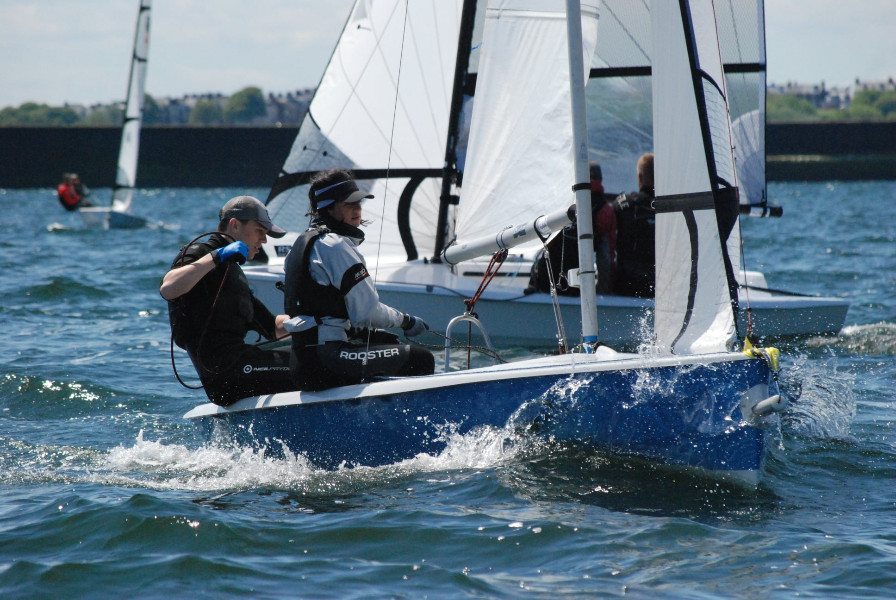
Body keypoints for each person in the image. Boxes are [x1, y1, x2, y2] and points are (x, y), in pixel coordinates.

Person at [283, 168, 435, 391]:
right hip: (328, 359)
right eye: (349, 204)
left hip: (304, 360)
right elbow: (368, 312)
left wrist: (363, 332)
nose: (357, 209)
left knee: (386, 344)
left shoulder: (300, 245)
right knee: (420, 358)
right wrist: (406, 321)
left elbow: (320, 308)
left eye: (359, 203)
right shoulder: (335, 246)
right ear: (329, 208)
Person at [160, 195, 296, 406]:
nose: (265, 240)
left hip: (240, 367)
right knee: (312, 363)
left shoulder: (233, 271)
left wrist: (315, 319)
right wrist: (217, 256)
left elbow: (272, 327)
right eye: (260, 231)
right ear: (234, 225)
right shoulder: (201, 253)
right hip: (226, 373)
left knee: (315, 354)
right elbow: (169, 288)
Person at [525, 161, 617, 295]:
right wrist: (603, 292)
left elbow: (544, 242)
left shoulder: (560, 202)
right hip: (577, 287)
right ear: (600, 180)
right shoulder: (605, 210)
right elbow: (606, 258)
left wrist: (534, 282)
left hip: (546, 282)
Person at [612, 152, 656, 298]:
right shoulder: (671, 207)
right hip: (660, 286)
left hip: (627, 286)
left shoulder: (624, 204)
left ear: (640, 178)